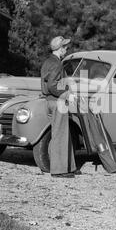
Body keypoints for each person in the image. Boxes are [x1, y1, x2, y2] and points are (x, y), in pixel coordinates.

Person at [41, 36, 79, 178]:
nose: (66, 49)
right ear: (59, 49)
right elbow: (52, 85)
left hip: (50, 101)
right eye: (65, 47)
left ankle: (70, 166)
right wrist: (67, 93)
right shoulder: (56, 64)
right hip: (58, 102)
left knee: (64, 133)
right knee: (59, 135)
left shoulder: (48, 62)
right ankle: (58, 170)